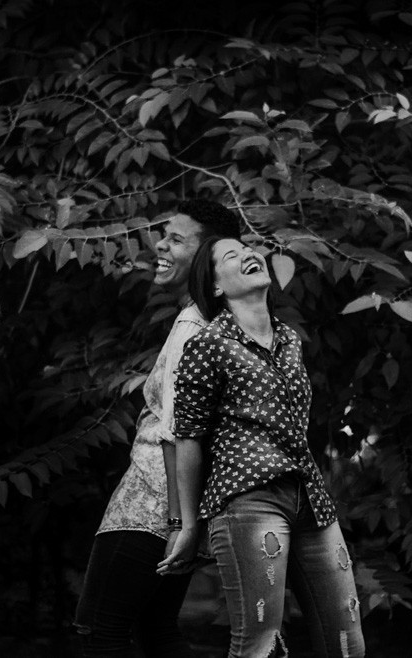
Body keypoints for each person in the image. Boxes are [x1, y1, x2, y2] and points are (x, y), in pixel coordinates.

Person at [157, 237, 366, 658]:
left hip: (310, 500)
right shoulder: (208, 343)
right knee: (261, 647)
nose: (249, 254)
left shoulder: (289, 340)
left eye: (249, 249)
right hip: (248, 501)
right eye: (231, 256)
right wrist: (188, 525)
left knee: (348, 645)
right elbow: (187, 437)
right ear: (216, 286)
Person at [73, 200, 241, 657]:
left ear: (207, 255)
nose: (159, 245)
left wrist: (178, 523)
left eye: (176, 239)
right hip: (178, 507)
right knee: (156, 629)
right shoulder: (222, 321)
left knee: (99, 631)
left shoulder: (193, 325)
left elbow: (177, 431)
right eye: (163, 235)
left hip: (150, 507)